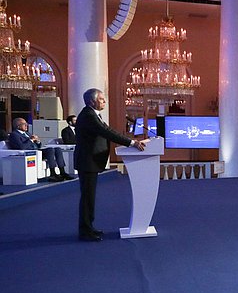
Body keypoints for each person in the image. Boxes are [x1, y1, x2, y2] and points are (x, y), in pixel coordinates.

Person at [75, 88, 145, 242]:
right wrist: (131, 142)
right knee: (88, 198)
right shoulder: (88, 115)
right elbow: (106, 133)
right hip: (87, 162)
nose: (104, 101)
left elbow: (107, 130)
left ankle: (89, 227)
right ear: (92, 101)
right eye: (101, 99)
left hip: (90, 161)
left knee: (89, 197)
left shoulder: (93, 114)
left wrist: (129, 142)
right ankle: (85, 231)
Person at [8, 117, 72, 182]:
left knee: (57, 149)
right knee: (50, 150)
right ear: (18, 126)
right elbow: (22, 147)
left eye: (26, 123)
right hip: (29, 153)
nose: (26, 125)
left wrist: (38, 141)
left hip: (37, 151)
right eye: (24, 124)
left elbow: (38, 146)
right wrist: (31, 140)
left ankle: (62, 172)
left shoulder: (27, 133)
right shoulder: (14, 135)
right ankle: (52, 174)